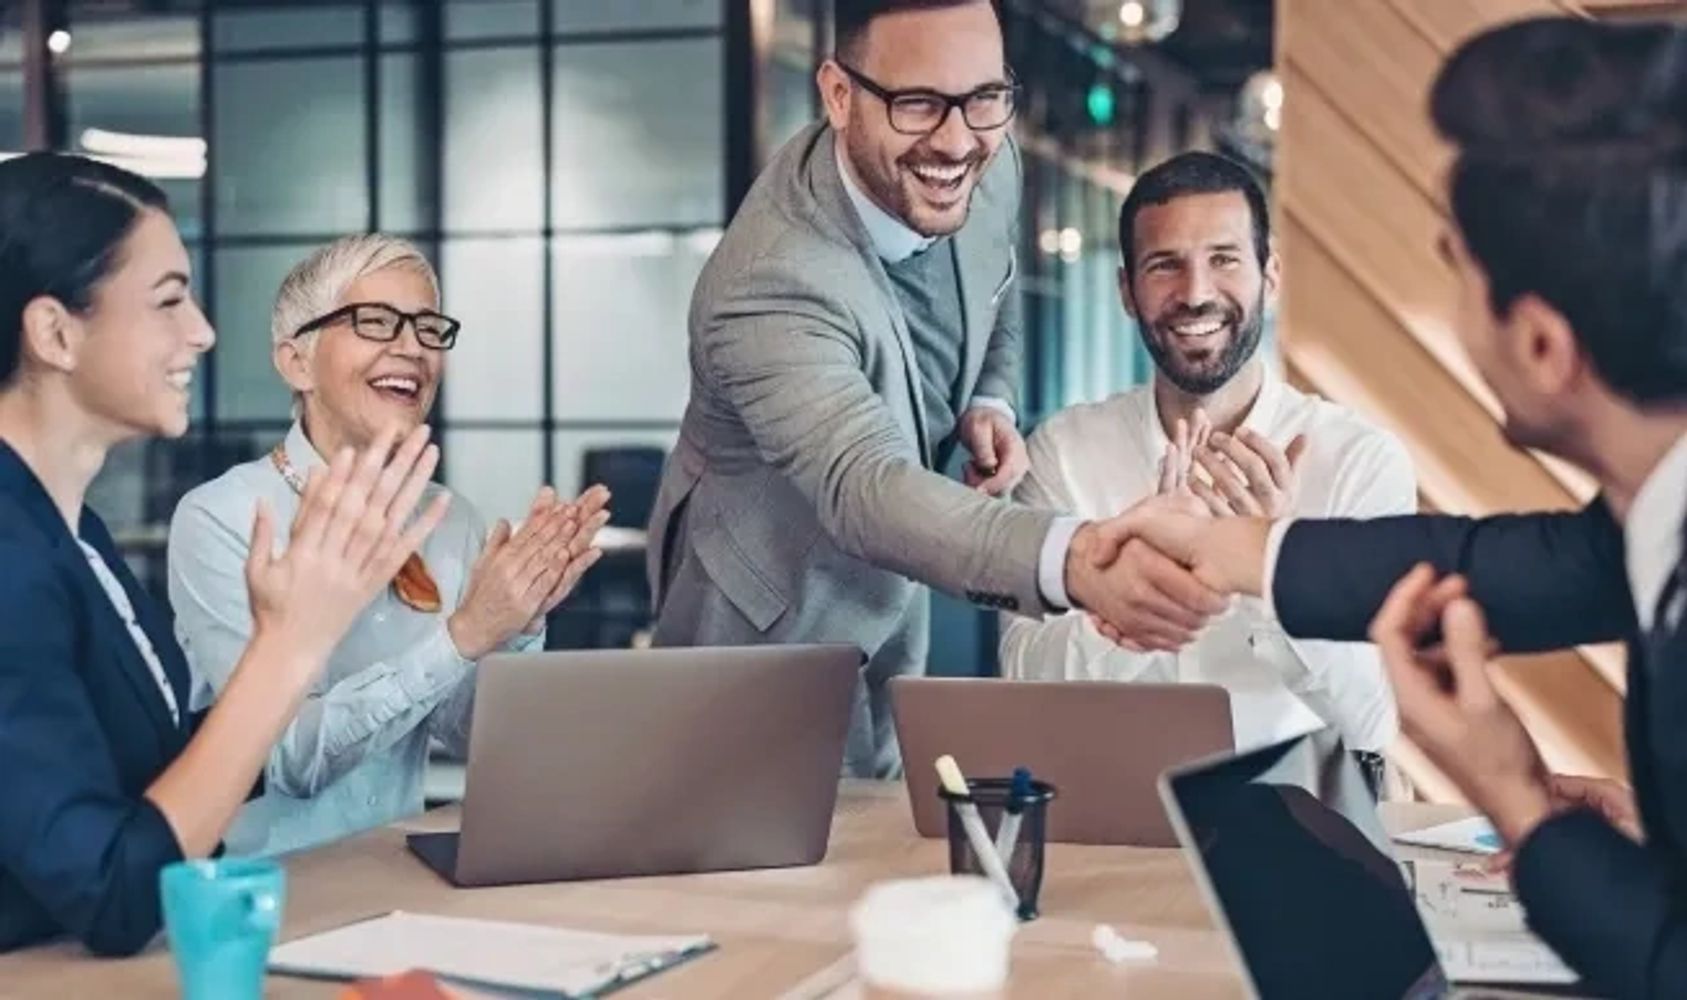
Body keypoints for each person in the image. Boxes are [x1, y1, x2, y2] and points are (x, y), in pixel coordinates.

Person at [1100, 19, 1687, 999]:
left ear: (1541, 344)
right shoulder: (1650, 511)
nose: (1453, 310)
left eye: (1456, 268)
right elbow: (1503, 563)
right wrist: (1217, 545)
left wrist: (1513, 799)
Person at [646, 0, 1222, 777]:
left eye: (983, 99)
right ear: (839, 94)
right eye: (917, 104)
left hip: (899, 587)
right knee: (759, 878)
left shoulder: (989, 159)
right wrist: (1079, 558)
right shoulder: (770, 282)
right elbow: (865, 485)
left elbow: (998, 283)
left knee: (878, 850)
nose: (956, 141)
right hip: (762, 625)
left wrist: (990, 397)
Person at [0, 153, 449, 955]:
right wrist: (290, 645)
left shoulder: (74, 533)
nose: (202, 332)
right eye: (169, 300)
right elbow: (116, 890)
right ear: (55, 332)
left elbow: (158, 768)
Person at [168, 235, 609, 858]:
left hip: (402, 869)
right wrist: (463, 634)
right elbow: (289, 760)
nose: (412, 348)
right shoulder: (225, 518)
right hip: (268, 886)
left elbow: (469, 737)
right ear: (296, 362)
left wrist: (517, 618)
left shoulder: (450, 518)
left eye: (429, 328)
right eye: (375, 322)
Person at [998, 151, 1412, 757]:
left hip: (1289, 824)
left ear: (1269, 278)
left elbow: (1369, 727)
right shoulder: (1062, 452)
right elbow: (1025, 686)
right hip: (1107, 817)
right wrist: (1136, 575)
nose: (1195, 294)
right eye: (1165, 265)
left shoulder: (1360, 462)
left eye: (1223, 259)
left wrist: (1270, 568)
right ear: (1127, 292)